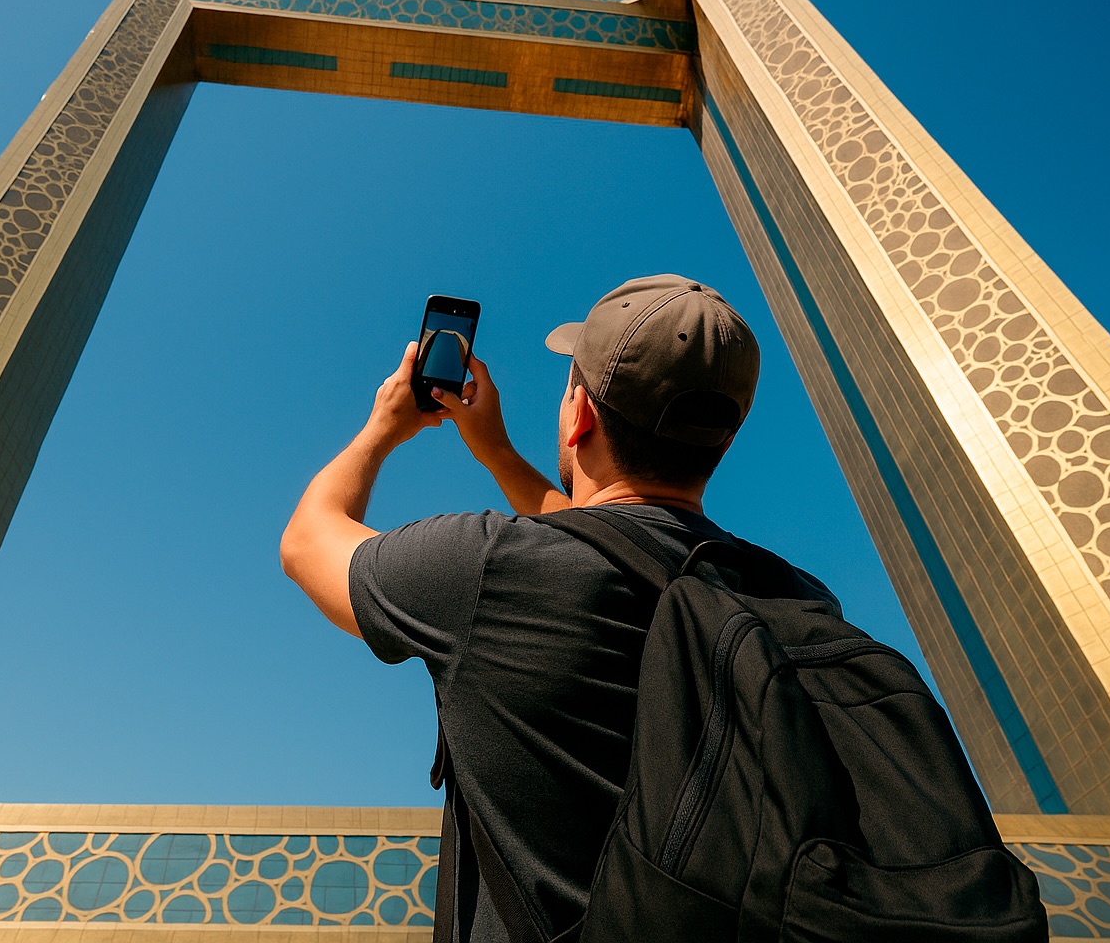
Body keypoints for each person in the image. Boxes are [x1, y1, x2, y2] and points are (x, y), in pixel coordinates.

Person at [280, 274, 836, 942]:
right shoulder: (800, 599)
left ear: (580, 417)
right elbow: (617, 543)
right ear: (722, 437)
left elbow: (309, 539)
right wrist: (499, 454)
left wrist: (382, 426)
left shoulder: (488, 570)